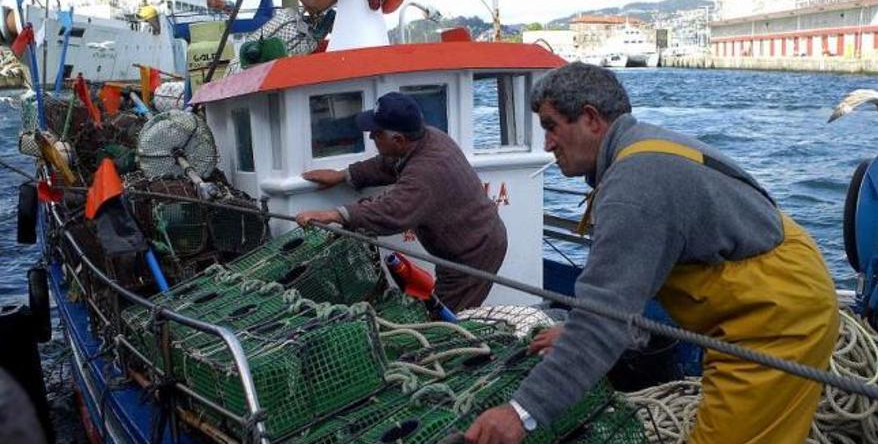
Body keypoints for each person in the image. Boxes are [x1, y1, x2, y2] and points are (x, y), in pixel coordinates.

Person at [464, 62, 839, 444]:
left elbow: (604, 317)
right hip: (770, 285)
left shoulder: (634, 188)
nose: (546, 144)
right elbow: (624, 290)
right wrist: (581, 331)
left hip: (776, 319)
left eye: (551, 126)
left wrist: (521, 413)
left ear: (591, 119)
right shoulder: (639, 151)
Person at [295, 92, 508, 312]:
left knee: (443, 319)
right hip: (467, 241)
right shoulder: (426, 138)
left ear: (398, 140)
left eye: (376, 134)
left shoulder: (426, 171)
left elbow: (392, 212)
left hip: (474, 252)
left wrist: (334, 214)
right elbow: (388, 164)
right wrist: (344, 175)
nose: (371, 138)